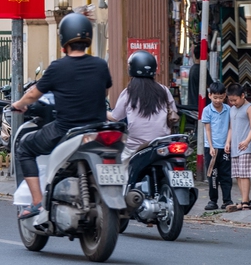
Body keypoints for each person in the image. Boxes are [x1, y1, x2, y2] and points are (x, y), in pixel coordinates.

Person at [12, 13, 112, 219]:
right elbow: (104, 93)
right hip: (98, 129)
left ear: (63, 41)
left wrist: (19, 104)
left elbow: (33, 94)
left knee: (25, 147)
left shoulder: (58, 67)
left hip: (65, 130)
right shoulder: (101, 65)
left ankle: (38, 202)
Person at [107, 50, 177, 161]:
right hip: (162, 144)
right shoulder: (164, 90)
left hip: (135, 147)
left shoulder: (129, 92)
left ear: (132, 68)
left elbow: (116, 117)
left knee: (122, 166)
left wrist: (103, 111)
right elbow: (173, 112)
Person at [201, 80, 233, 211]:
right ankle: (212, 200)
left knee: (226, 175)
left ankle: (227, 200)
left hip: (225, 147)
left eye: (220, 97)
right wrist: (211, 146)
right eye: (215, 97)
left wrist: (228, 143)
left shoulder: (229, 110)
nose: (218, 100)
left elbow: (231, 128)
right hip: (211, 147)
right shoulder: (207, 110)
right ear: (210, 96)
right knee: (212, 175)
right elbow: (207, 130)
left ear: (225, 96)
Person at [226, 83, 251, 211]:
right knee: (238, 175)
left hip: (246, 147)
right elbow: (231, 128)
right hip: (235, 146)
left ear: (243, 95)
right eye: (230, 100)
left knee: (244, 174)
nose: (233, 103)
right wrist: (227, 142)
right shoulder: (232, 109)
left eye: (235, 100)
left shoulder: (249, 108)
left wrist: (246, 141)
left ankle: (245, 201)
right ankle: (245, 199)